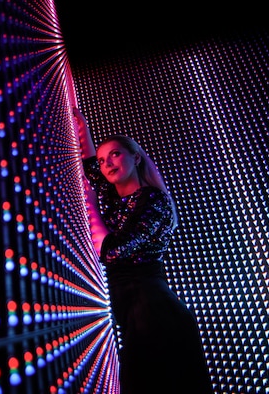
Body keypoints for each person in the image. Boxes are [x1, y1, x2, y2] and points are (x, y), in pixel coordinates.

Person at [72, 106, 213, 394]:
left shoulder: (154, 201)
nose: (107, 163)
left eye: (115, 154)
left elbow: (112, 250)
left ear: (136, 157)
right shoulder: (111, 194)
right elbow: (89, 166)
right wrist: (82, 127)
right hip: (132, 310)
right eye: (103, 159)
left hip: (154, 311)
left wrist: (91, 207)